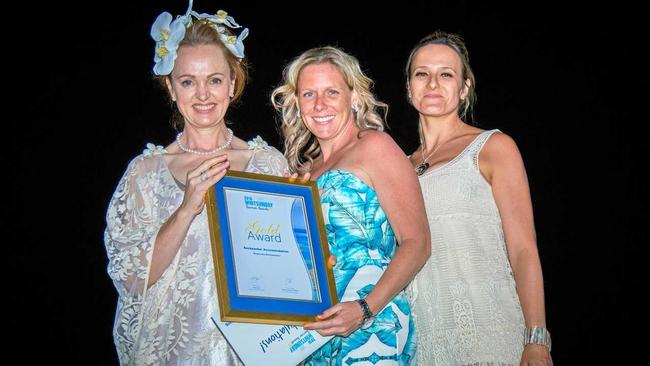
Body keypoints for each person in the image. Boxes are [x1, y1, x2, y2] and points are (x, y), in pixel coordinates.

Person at [103, 2, 289, 365]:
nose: (203, 95)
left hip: (252, 354)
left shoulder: (268, 164)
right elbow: (131, 279)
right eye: (188, 81)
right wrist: (187, 207)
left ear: (232, 84)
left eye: (214, 80)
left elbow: (287, 270)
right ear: (171, 88)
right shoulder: (145, 173)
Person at [272, 46, 431, 365]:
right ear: (297, 103)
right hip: (312, 335)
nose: (319, 105)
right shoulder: (302, 172)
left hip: (370, 329)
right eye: (308, 94)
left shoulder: (375, 147)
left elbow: (418, 244)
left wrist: (364, 309)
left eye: (331, 92)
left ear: (354, 97)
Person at [404, 31, 553, 365]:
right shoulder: (399, 168)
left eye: (446, 74)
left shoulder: (493, 148)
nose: (432, 83)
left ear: (464, 88)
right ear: (409, 87)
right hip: (422, 345)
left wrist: (537, 338)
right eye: (422, 74)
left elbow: (523, 249)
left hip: (490, 337)